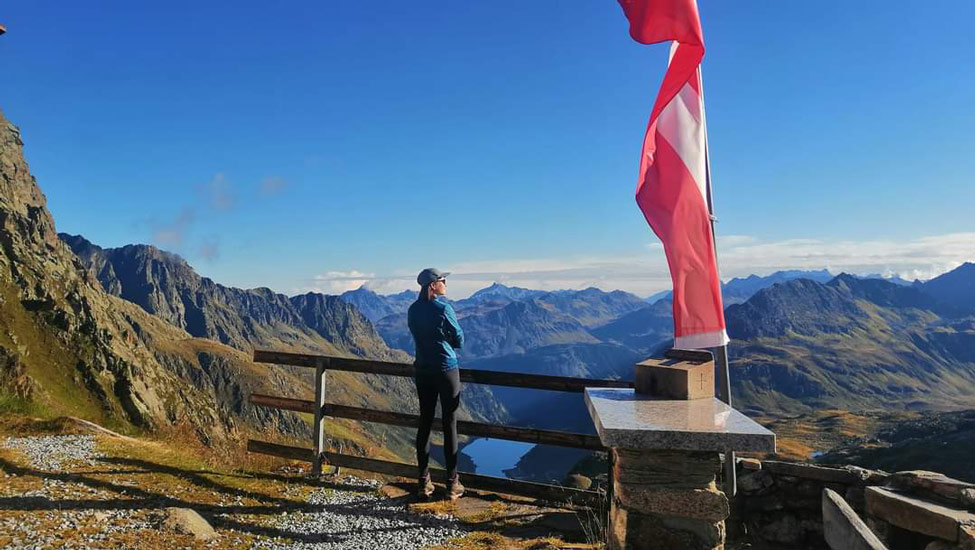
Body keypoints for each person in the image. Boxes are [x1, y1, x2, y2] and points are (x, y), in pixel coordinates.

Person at [408, 267, 465, 500]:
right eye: (443, 280)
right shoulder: (443, 308)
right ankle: (452, 483)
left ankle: (424, 481)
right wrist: (447, 340)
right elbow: (459, 338)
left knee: (425, 421)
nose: (445, 284)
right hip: (446, 369)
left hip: (422, 369)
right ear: (433, 285)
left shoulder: (413, 309)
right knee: (449, 423)